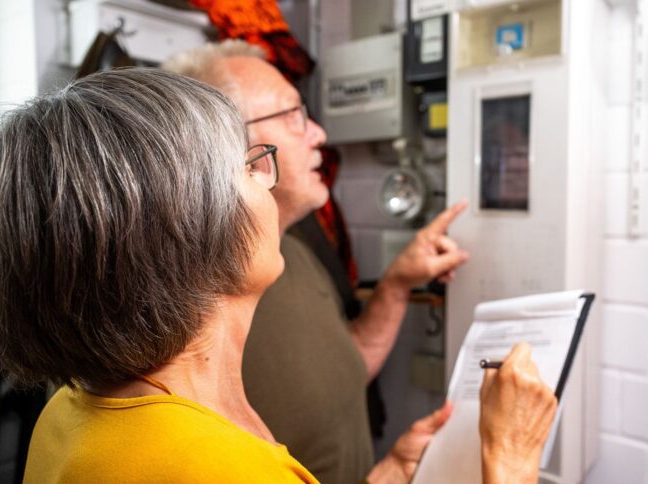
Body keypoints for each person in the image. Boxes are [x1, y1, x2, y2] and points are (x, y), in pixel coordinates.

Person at [0, 67, 556, 483]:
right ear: (190, 229)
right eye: (247, 167)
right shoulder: (221, 468)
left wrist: (387, 473)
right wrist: (510, 459)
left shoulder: (67, 414)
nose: (265, 180)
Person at [165, 41, 471, 483]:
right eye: (293, 115)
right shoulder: (185, 303)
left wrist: (397, 284)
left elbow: (345, 369)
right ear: (227, 147)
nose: (319, 134)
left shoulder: (294, 251)